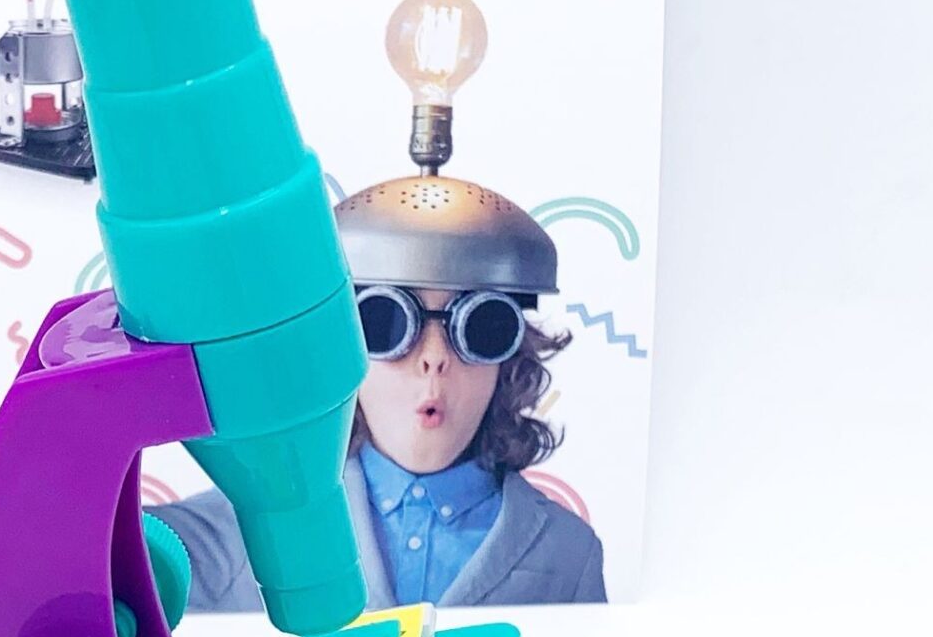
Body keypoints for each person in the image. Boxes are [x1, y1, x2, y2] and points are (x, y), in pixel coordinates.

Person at [156, 173, 605, 611]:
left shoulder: (567, 552)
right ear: (344, 351)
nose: (434, 358)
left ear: (509, 358)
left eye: (483, 327)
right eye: (385, 323)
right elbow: (128, 556)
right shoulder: (249, 527)